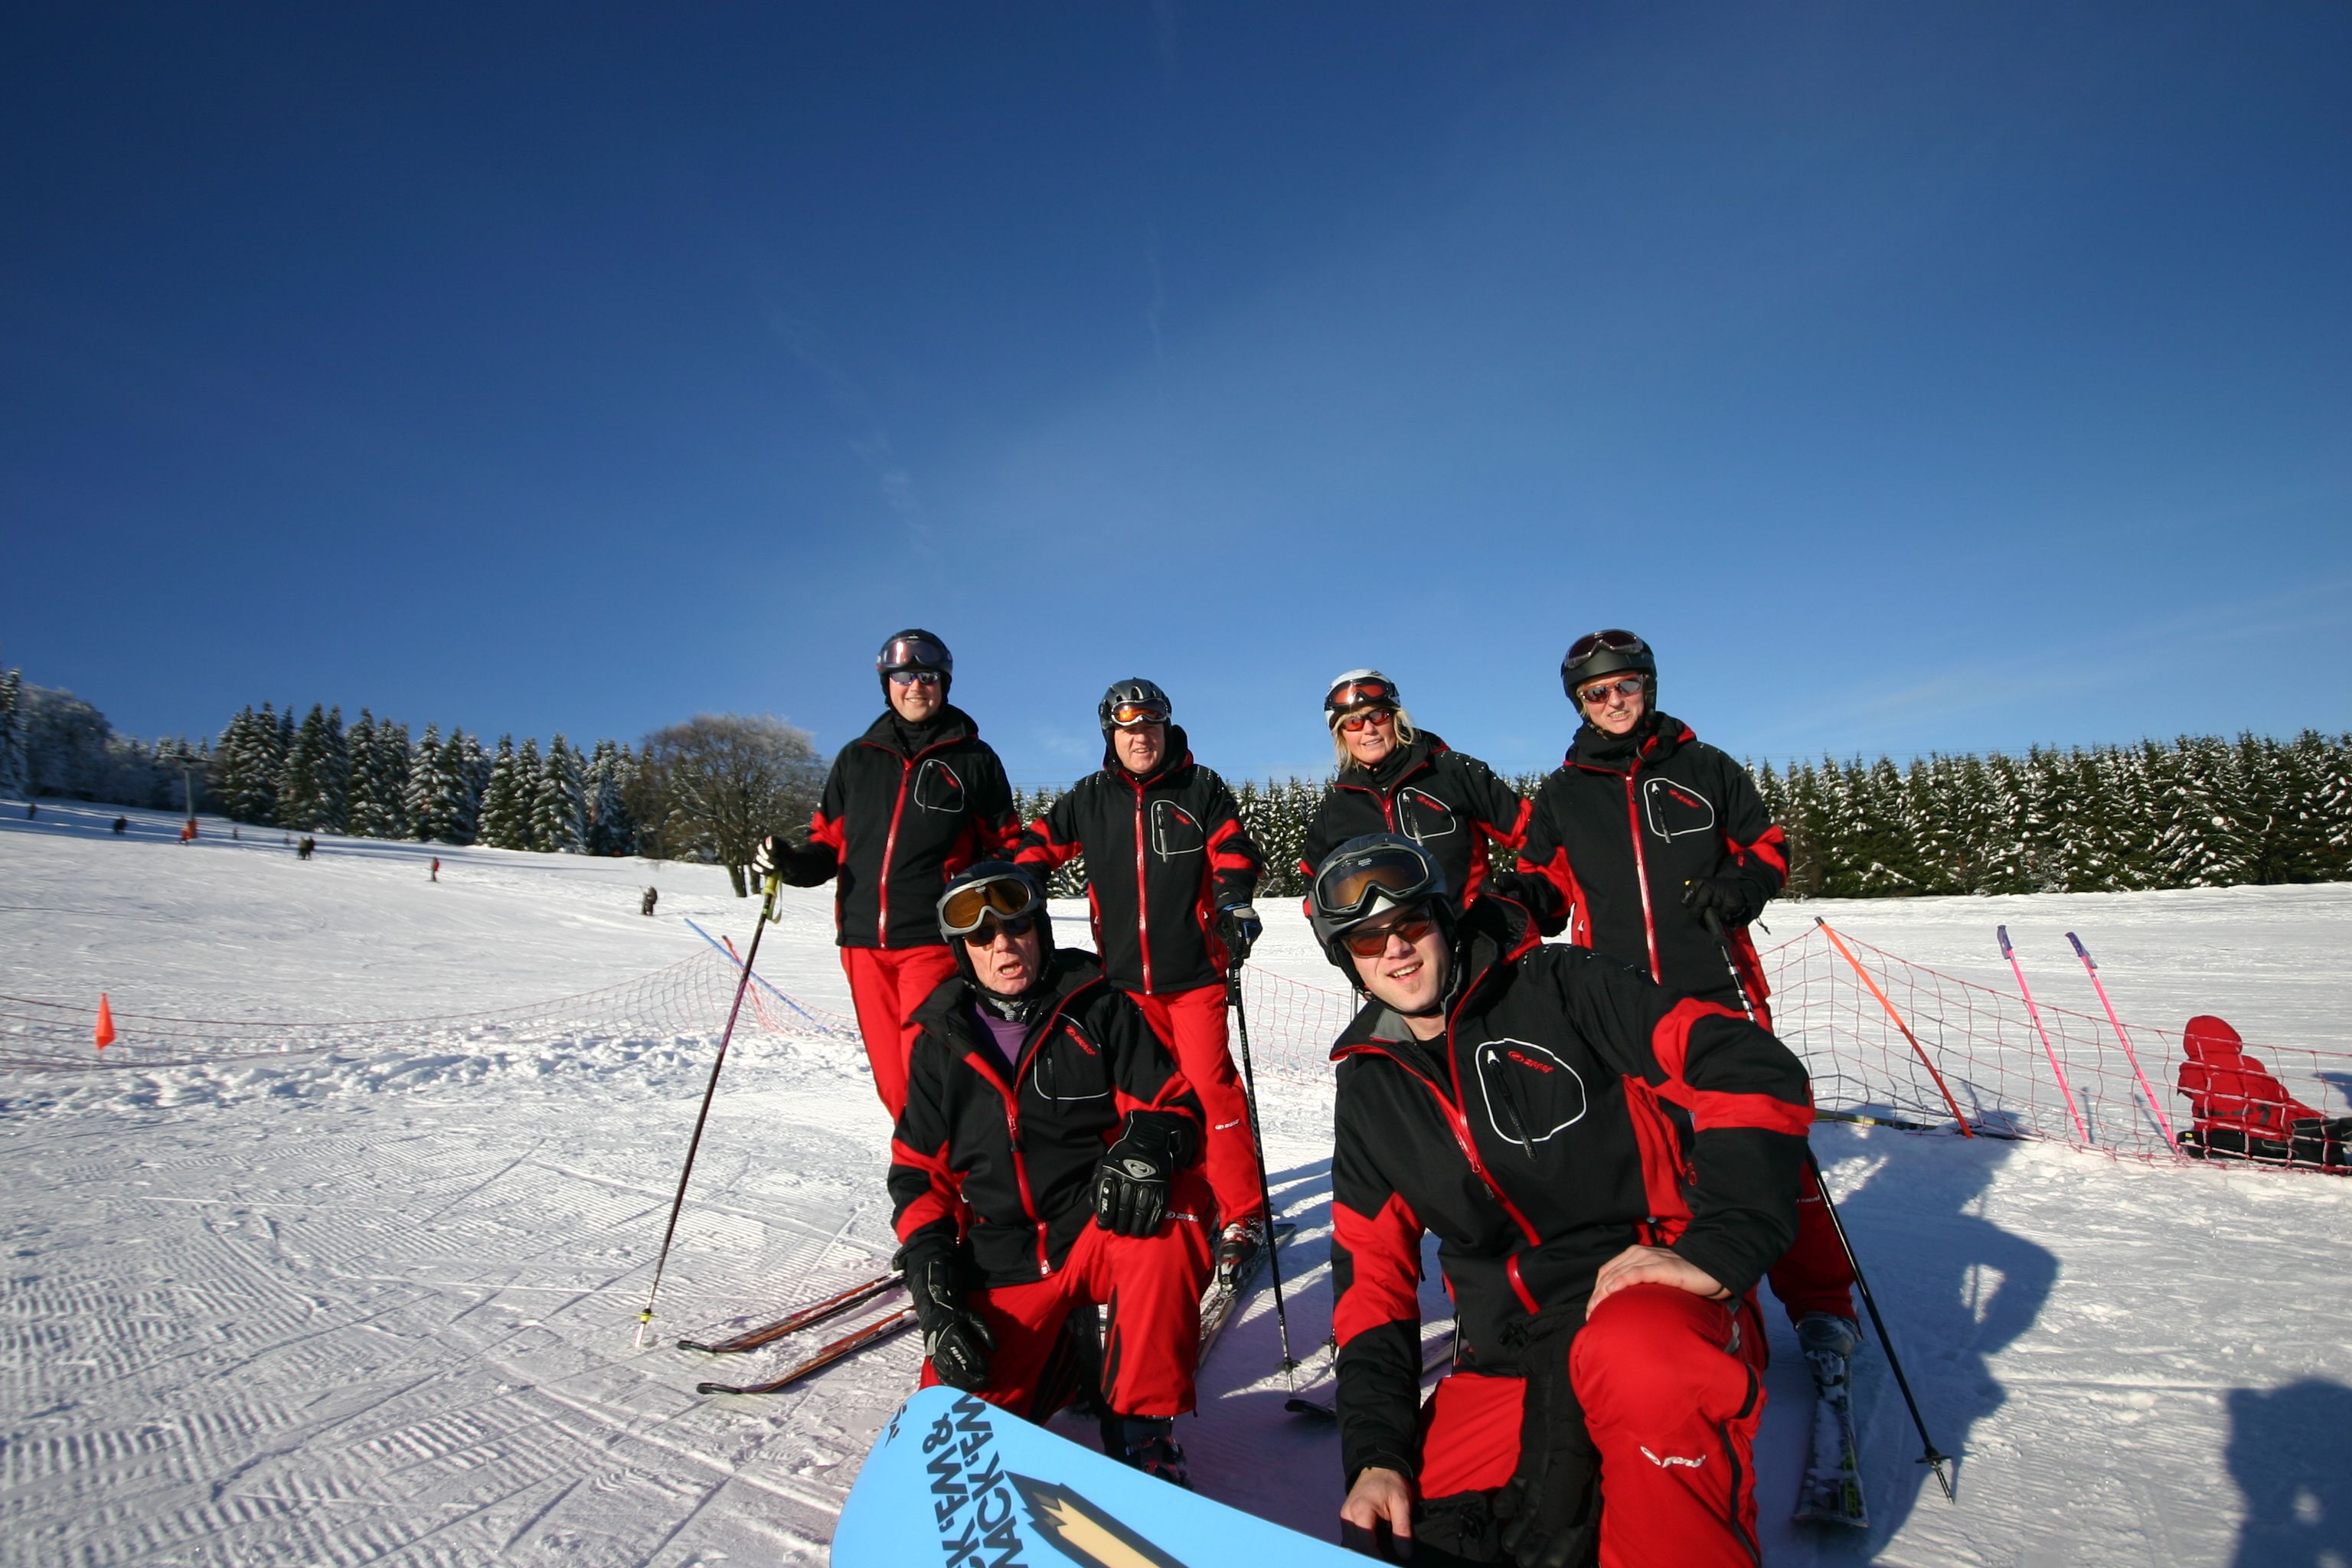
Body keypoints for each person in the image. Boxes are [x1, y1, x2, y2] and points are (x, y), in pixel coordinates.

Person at [1315, 835, 1811, 1566]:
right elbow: (1371, 1283)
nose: (1396, 950)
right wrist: (1376, 1455)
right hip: (1513, 1347)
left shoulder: (1559, 984)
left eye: (1411, 924)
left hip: (1645, 1297)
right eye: (1366, 939)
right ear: (1347, 959)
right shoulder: (1369, 1084)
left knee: (1643, 1367)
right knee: (1412, 1534)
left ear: (1444, 920)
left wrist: (1718, 1247)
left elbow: (1746, 1066)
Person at [1517, 628, 1859, 1357]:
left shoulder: (1705, 767)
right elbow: (1545, 885)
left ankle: (1823, 1304)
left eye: (1626, 686)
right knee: (1657, 1157)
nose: (1614, 702)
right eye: (1597, 693)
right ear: (1580, 703)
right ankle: (1699, 1313)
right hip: (1620, 1005)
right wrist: (1496, 911)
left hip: (1716, 983)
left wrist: (1744, 885)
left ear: (1649, 686)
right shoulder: (1565, 793)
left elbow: (1766, 845)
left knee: (1769, 1146)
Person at [888, 861, 1214, 1483]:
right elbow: (917, 1173)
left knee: (1177, 1207)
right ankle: (1058, 1362)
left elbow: (1176, 1105)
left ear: (1039, 929)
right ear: (964, 952)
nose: (1003, 946)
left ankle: (1142, 1430)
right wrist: (933, 1277)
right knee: (952, 1447)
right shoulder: (939, 1043)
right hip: (1003, 1255)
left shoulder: (1097, 1008)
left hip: (1095, 1226)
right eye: (982, 938)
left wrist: (1148, 1144)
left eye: (1015, 928)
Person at [1014, 678, 1271, 1278]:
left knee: (1211, 1089)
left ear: (1165, 729)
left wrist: (1234, 902)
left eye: (1149, 728)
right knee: (1140, 1103)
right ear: (1112, 735)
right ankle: (1170, 1197)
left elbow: (1233, 850)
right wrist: (1011, 888)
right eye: (1129, 730)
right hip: (1124, 983)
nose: (1141, 739)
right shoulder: (1090, 797)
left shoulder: (1199, 786)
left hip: (1195, 975)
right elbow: (1037, 846)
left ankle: (1243, 1212)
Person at [756, 629, 1020, 1116]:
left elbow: (1007, 845)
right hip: (863, 946)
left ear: (944, 684)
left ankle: (957, 1179)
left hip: (933, 942)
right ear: (887, 683)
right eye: (904, 676)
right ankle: (924, 1183)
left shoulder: (973, 759)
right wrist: (791, 863)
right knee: (893, 1084)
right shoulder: (857, 759)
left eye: (928, 676)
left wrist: (987, 904)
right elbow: (827, 845)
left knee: (927, 1073)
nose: (916, 686)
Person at [1302, 669, 1537, 913]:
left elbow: (1537, 835)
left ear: (1395, 717)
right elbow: (1314, 890)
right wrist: (1341, 947)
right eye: (1353, 722)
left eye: (1377, 715)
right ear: (1341, 734)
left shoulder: (1452, 772)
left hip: (1474, 941)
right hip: (1390, 948)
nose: (1368, 729)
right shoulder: (1336, 808)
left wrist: (1528, 895)